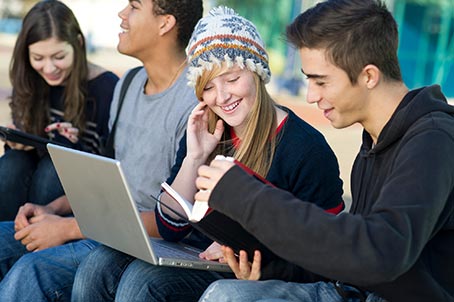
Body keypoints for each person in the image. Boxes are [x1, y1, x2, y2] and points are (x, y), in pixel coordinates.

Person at [71, 6, 345, 302]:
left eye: (231, 79)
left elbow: (326, 258)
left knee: (143, 282)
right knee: (97, 265)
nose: (222, 96)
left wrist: (255, 260)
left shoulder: (306, 148)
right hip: (197, 253)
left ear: (256, 72)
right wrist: (194, 157)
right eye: (208, 87)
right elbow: (170, 226)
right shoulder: (208, 130)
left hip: (256, 270)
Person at [195, 1, 454, 301]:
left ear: (369, 76)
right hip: (354, 292)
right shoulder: (375, 140)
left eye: (321, 81)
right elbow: (349, 259)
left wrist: (247, 196)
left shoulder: (433, 139)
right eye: (308, 79)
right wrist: (266, 268)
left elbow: (381, 252)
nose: (310, 95)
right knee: (227, 293)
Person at [0, 0, 202, 301]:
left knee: (32, 272)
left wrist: (67, 228)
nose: (122, 14)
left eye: (133, 7)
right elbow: (108, 180)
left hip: (143, 242)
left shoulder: (195, 101)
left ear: (165, 23)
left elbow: (173, 221)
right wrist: (52, 210)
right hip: (100, 227)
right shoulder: (130, 84)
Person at [0, 0, 119, 221]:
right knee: (11, 163)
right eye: (38, 58)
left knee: (53, 168)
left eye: (59, 57)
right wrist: (18, 139)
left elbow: (109, 166)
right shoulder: (29, 78)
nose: (49, 68)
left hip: (74, 194)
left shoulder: (106, 87)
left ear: (79, 44)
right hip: (27, 175)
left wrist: (74, 147)